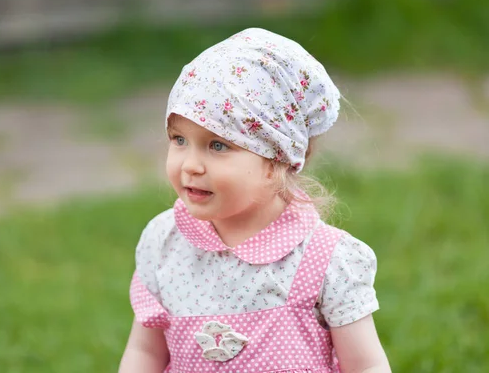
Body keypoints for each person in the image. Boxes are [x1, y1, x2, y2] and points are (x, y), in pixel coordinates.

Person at [119, 28, 391, 373]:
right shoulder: (164, 243)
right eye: (179, 139)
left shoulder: (325, 259)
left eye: (218, 145)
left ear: (276, 161)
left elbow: (364, 366)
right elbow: (145, 353)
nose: (190, 165)